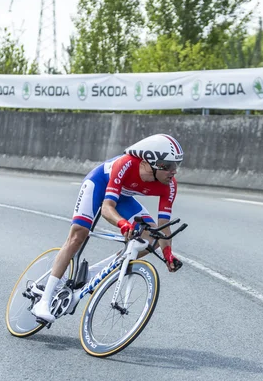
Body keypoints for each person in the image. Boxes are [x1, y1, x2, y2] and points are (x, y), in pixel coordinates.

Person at [31, 134, 184, 323]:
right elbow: (107, 208)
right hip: (99, 184)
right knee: (78, 235)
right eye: (168, 166)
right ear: (148, 162)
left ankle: (91, 275)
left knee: (151, 239)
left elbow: (163, 228)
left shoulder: (169, 185)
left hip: (124, 196)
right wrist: (123, 224)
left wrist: (168, 253)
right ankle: (44, 301)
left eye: (176, 165)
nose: (173, 171)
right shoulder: (126, 164)